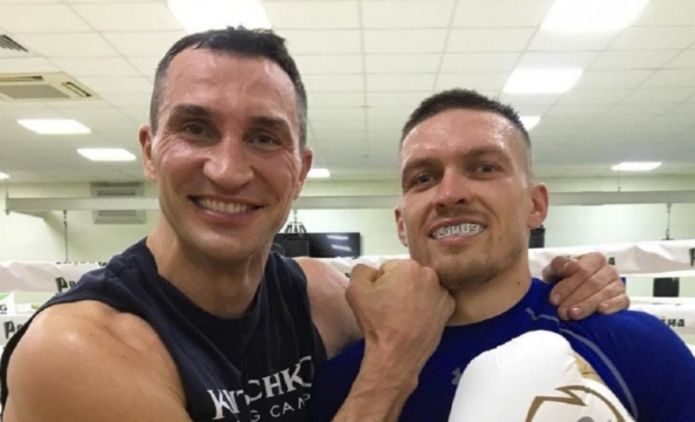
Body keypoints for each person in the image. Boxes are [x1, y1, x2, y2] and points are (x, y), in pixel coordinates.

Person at [0, 29, 626, 422]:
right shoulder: (77, 350)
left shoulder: (322, 298)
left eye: (264, 137)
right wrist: (389, 369)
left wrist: (567, 284)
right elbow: (402, 336)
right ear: (149, 149)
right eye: (196, 128)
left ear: (299, 170)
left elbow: (454, 291)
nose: (228, 169)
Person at [310, 89, 695, 421]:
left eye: (484, 168)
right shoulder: (353, 383)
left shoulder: (634, 348)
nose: (450, 193)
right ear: (402, 224)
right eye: (424, 177)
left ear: (535, 206)